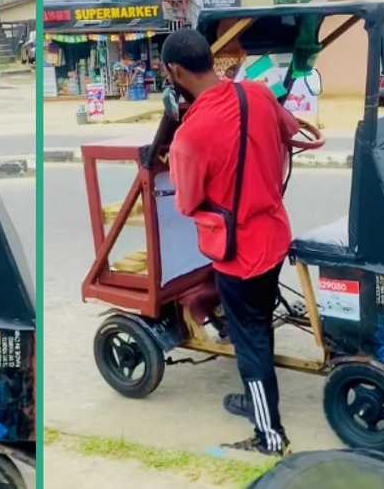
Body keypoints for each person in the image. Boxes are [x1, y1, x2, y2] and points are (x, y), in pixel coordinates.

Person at [161, 28, 300, 456]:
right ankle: (254, 400)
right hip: (274, 236)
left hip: (239, 255)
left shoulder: (190, 134)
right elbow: (289, 130)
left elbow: (186, 203)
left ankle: (269, 436)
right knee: (257, 324)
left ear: (176, 72)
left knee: (251, 339)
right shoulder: (257, 95)